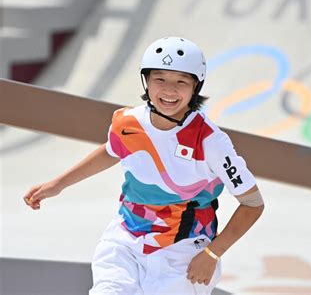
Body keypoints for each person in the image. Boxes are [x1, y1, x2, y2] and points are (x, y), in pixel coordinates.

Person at [23, 37, 265, 295]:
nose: (169, 90)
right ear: (146, 82)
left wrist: (212, 253)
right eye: (160, 79)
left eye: (181, 81)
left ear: (196, 86)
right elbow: (110, 151)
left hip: (183, 252)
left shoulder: (211, 142)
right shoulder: (127, 122)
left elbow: (252, 204)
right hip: (126, 238)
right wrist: (57, 185)